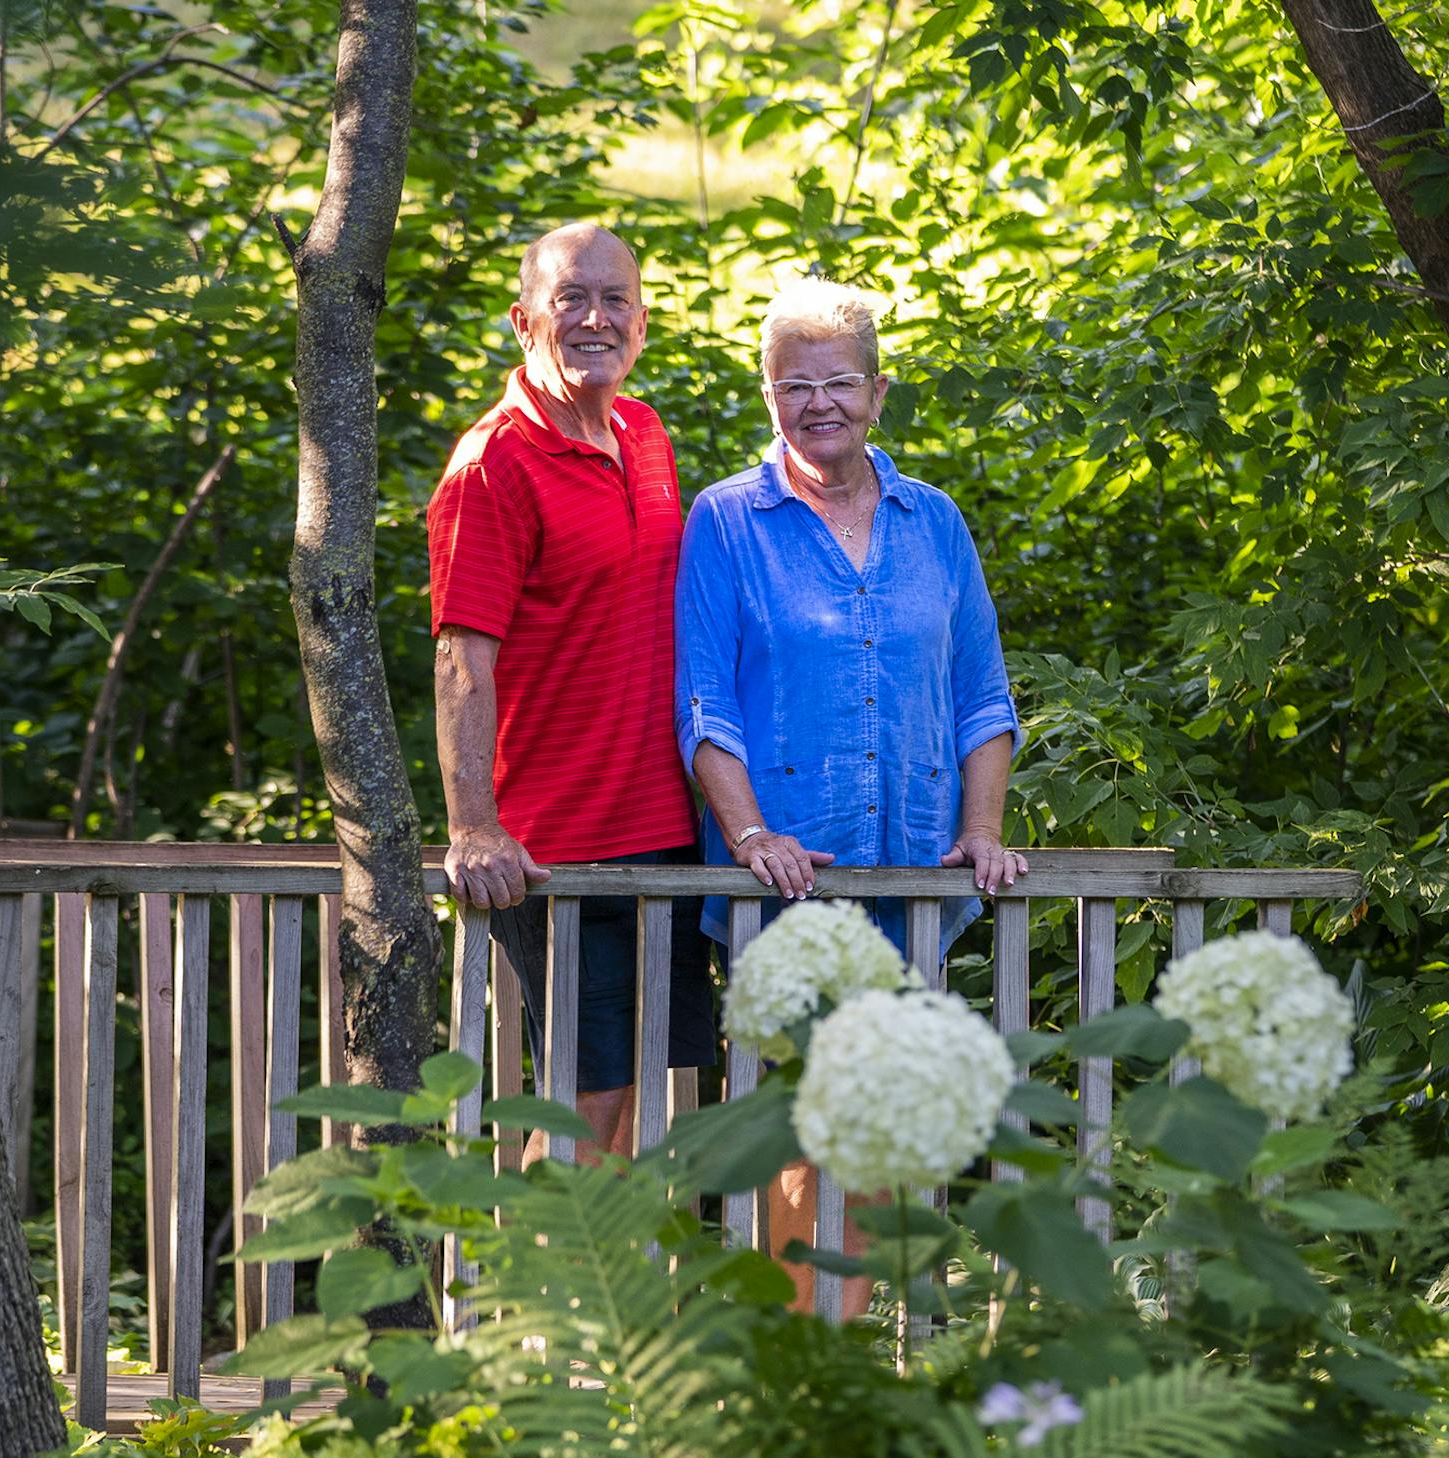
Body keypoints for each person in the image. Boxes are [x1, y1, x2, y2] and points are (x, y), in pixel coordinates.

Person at [674, 278, 1026, 1312]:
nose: (817, 403)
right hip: (790, 883)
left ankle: (853, 1343)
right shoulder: (729, 519)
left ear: (878, 393)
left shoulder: (934, 522)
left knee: (888, 1112)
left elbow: (983, 694)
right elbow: (705, 701)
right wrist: (749, 832)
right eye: (794, 386)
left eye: (838, 383)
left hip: (912, 870)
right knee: (802, 1113)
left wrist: (984, 829)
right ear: (769, 396)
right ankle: (806, 1339)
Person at [428, 222, 715, 1164]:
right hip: (559, 849)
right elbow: (463, 657)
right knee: (582, 1110)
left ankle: (609, 1309)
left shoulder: (644, 434)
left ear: (642, 324)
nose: (595, 317)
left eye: (615, 300)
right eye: (570, 299)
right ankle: (537, 1308)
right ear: (525, 321)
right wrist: (473, 828)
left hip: (668, 834)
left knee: (643, 1096)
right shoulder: (492, 465)